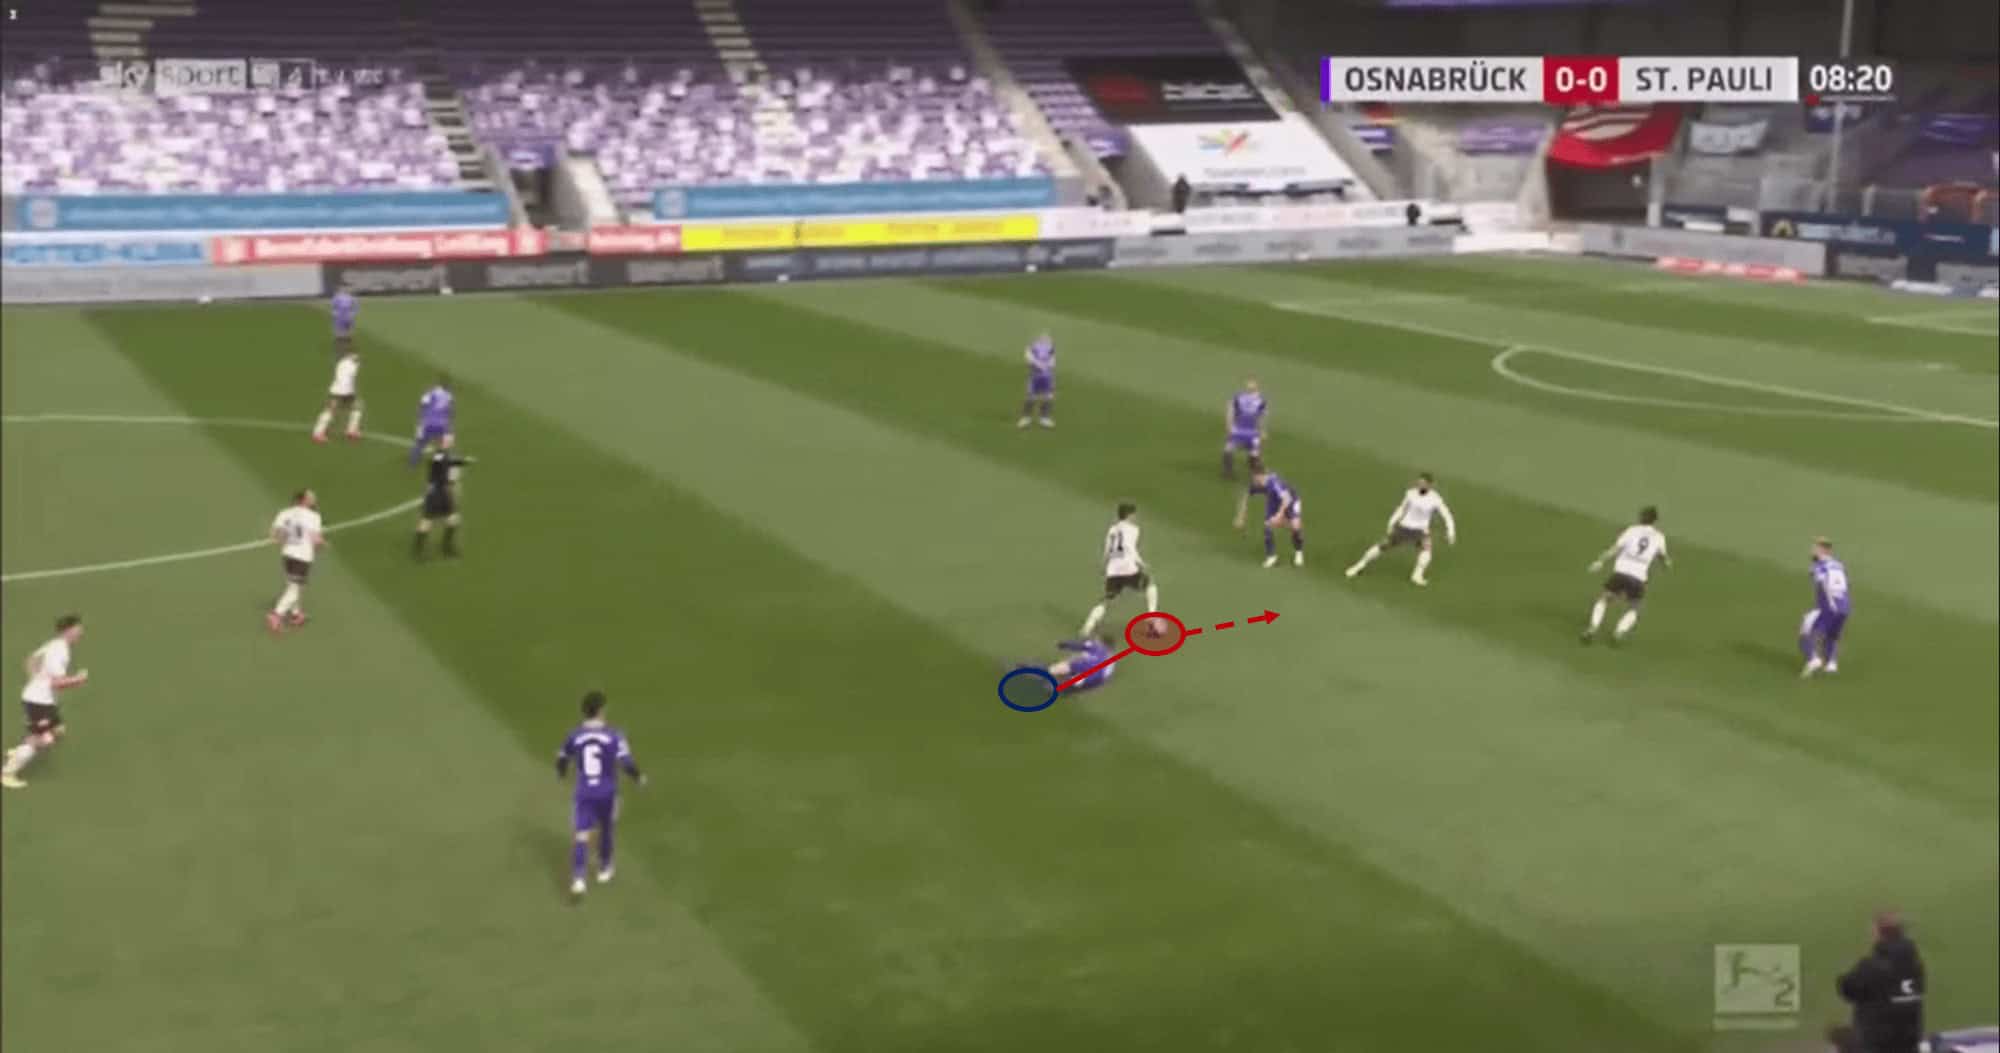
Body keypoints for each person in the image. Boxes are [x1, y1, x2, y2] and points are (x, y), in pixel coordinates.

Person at [556, 691, 645, 899]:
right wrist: (638, 778)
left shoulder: (574, 736)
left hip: (584, 792)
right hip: (607, 792)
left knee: (581, 833)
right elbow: (626, 762)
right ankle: (604, 868)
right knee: (606, 829)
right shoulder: (614, 735)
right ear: (601, 711)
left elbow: (562, 759)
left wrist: (561, 774)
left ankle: (579, 878)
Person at [1, 614, 89, 790]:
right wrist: (78, 680)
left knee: (58, 731)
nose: (82, 632)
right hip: (39, 702)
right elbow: (57, 683)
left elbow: (31, 659)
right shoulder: (60, 652)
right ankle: (7, 772)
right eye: (78, 629)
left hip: (43, 700)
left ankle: (21, 750)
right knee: (40, 740)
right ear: (68, 630)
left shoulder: (54, 643)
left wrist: (36, 679)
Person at [1829, 912, 1924, 1053]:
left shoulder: (1872, 966)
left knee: (1838, 1035)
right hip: (1909, 1041)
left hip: (1878, 1043)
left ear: (1880, 935)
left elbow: (1847, 988)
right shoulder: (1916, 966)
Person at [1345, 473, 1457, 586]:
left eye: (1423, 483)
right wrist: (1392, 521)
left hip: (1421, 530)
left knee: (1426, 552)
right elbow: (1402, 508)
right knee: (1382, 546)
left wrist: (1451, 531)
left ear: (1429, 485)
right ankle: (1359, 566)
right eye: (1419, 482)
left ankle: (1417, 575)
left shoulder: (1435, 499)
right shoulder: (1411, 494)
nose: (1420, 485)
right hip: (1404, 527)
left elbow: (1446, 515)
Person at [1581, 506, 1670, 645]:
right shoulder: (1659, 537)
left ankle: (1592, 628)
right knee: (1635, 607)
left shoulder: (1632, 530)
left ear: (1642, 517)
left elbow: (1615, 549)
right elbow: (1664, 558)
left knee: (1604, 599)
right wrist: (1666, 564)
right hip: (1638, 577)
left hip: (1621, 572)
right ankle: (1619, 632)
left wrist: (1600, 561)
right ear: (1655, 521)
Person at [1081, 502, 1160, 636]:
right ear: (1129, 515)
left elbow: (1108, 549)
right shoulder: (1133, 529)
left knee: (1107, 600)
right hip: (1128, 568)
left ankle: (1088, 626)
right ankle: (1151, 617)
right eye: (1134, 514)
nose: (1135, 517)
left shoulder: (1112, 530)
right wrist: (1140, 563)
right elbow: (1129, 547)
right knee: (1150, 584)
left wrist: (1105, 566)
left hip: (1113, 570)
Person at [268, 490, 324, 633]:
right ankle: (276, 615)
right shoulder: (314, 516)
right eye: (311, 497)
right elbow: (315, 539)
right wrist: (322, 544)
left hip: (287, 554)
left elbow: (275, 534)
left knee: (293, 585)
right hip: (302, 556)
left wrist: (284, 541)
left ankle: (296, 614)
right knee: (294, 589)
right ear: (304, 500)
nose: (314, 499)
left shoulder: (284, 513)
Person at [413, 434, 475, 560]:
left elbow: (450, 461)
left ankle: (446, 546)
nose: (451, 441)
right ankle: (418, 551)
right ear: (442, 442)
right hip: (436, 493)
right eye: (449, 440)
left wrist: (464, 461)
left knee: (453, 520)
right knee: (427, 522)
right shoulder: (438, 456)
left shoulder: (445, 455)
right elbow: (440, 463)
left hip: (444, 493)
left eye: (451, 439)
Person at [1233, 460, 1303, 568]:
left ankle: (1298, 552)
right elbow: (1246, 495)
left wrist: (1278, 516)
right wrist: (1241, 516)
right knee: (1268, 525)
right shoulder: (1257, 483)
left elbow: (1286, 499)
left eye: (1254, 476)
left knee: (1295, 527)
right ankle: (1271, 557)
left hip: (1291, 501)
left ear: (1259, 475)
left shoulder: (1274, 483)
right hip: (1274, 501)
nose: (1252, 479)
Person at [1800, 537, 1852, 678]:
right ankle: (1831, 664)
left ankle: (1813, 659)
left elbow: (1820, 580)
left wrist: (1814, 569)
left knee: (1805, 631)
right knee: (1832, 635)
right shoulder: (1839, 565)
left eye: (1815, 548)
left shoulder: (1819, 566)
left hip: (1829, 607)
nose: (1812, 550)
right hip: (1845, 607)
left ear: (1822, 550)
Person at [311, 346, 363, 444]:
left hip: (337, 390)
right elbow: (352, 377)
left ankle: (351, 430)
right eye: (356, 355)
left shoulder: (341, 363)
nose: (358, 356)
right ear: (351, 355)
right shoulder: (353, 365)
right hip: (345, 391)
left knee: (354, 408)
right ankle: (318, 433)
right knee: (335, 410)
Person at [1220, 378, 1267, 479]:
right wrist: (1229, 425)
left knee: (1251, 452)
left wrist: (1262, 431)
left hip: (1247, 430)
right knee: (1230, 449)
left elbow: (1260, 417)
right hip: (1241, 429)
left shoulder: (1260, 400)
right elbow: (1231, 411)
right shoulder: (1240, 397)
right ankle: (1230, 471)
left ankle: (1255, 472)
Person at [408, 375, 455, 467]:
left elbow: (422, 406)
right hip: (442, 425)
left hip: (428, 423)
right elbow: (451, 411)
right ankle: (440, 462)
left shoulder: (430, 393)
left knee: (420, 443)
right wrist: (450, 423)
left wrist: (420, 420)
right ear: (446, 387)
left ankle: (413, 463)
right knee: (443, 445)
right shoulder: (448, 396)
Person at [1018, 332, 1056, 429]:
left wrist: (1047, 365)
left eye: (1047, 340)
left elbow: (1052, 362)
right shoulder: (1033, 348)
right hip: (1035, 376)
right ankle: (1026, 418)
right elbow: (1028, 358)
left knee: (1048, 396)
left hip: (1047, 377)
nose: (1046, 341)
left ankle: (1044, 418)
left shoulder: (1050, 348)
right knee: (1031, 397)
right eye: (1043, 339)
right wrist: (1039, 364)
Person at [330, 284, 358, 353]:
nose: (345, 289)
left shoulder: (351, 297)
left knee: (349, 333)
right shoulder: (337, 297)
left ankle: (349, 348)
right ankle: (339, 348)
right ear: (340, 289)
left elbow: (356, 306)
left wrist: (353, 313)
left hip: (348, 317)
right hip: (339, 317)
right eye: (343, 288)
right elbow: (333, 306)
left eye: (346, 288)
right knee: (339, 334)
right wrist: (334, 313)